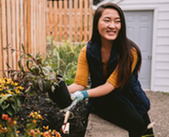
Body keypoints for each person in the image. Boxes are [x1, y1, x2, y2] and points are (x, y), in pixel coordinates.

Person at [67, 3, 154, 137]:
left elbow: (110, 85)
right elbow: (79, 83)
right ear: (97, 23)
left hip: (130, 97)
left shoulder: (130, 52)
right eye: (107, 20)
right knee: (136, 122)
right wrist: (60, 90)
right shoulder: (87, 52)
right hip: (103, 99)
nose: (112, 26)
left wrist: (83, 94)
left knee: (142, 127)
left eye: (117, 22)